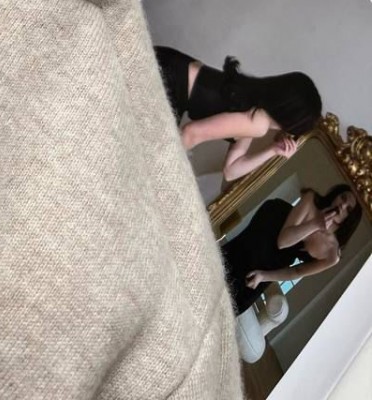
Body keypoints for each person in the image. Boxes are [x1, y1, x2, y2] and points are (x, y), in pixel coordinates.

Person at [154, 46, 322, 180]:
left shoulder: (257, 110)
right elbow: (190, 133)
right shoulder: (258, 122)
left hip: (169, 63)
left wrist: (273, 150)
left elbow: (231, 171)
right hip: (168, 78)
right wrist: (162, 166)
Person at [220, 185, 361, 313]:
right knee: (229, 264)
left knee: (238, 299)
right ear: (336, 195)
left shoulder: (332, 254)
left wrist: (263, 276)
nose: (342, 205)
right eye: (343, 198)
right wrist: (315, 224)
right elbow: (283, 241)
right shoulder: (311, 199)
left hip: (277, 260)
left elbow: (297, 271)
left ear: (350, 219)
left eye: (348, 209)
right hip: (270, 225)